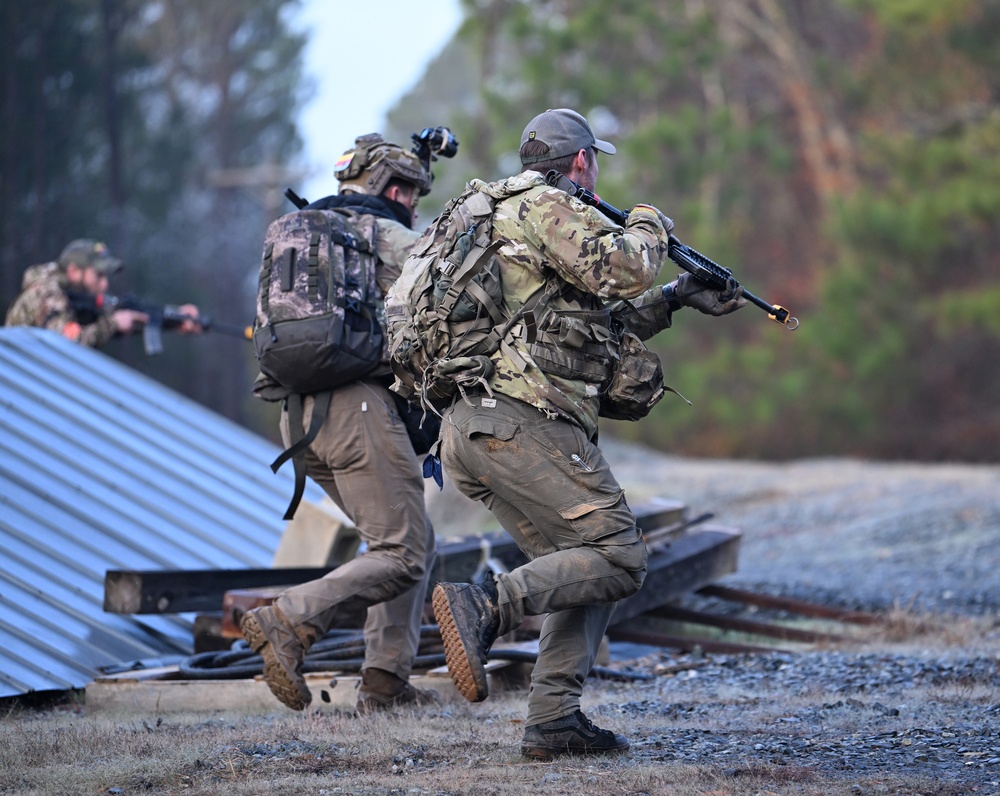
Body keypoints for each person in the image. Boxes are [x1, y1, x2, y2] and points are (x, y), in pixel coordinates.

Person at [428, 108, 746, 759]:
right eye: (594, 160)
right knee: (621, 557)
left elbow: (582, 327)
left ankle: (553, 720)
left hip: (470, 426)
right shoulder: (547, 206)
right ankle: (488, 604)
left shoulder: (499, 220)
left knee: (587, 567)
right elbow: (625, 269)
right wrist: (650, 222)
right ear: (580, 163)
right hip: (520, 422)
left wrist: (679, 296)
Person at [242, 133, 440, 715]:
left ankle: (384, 683)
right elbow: (458, 283)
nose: (413, 202)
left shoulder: (306, 237)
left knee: (409, 542)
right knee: (402, 551)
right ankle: (287, 620)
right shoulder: (385, 235)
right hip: (358, 409)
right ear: (395, 189)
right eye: (412, 192)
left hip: (298, 418)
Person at [4, 238, 202, 347]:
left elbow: (125, 317)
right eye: (98, 275)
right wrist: (113, 323)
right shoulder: (47, 294)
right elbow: (70, 341)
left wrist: (175, 318)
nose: (104, 284)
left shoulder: (75, 296)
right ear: (73, 272)